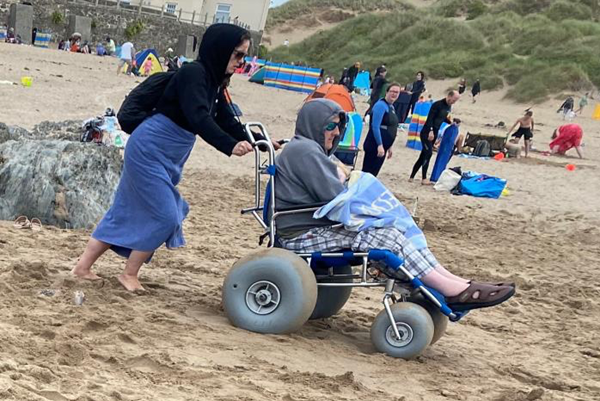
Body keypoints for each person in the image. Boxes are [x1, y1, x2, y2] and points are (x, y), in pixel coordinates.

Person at [72, 24, 279, 292]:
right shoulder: (194, 74)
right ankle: (129, 274)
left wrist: (260, 142)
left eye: (245, 57)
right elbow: (198, 117)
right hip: (149, 148)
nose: (242, 63)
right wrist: (229, 146)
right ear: (221, 50)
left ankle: (82, 267)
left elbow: (226, 119)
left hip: (169, 154)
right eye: (238, 55)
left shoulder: (215, 81)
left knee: (125, 210)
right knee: (166, 215)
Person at [275, 99, 515, 311]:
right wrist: (344, 178)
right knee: (387, 237)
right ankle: (451, 289)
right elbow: (334, 194)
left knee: (395, 230)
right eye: (330, 126)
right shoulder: (304, 150)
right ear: (314, 125)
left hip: (314, 224)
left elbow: (338, 187)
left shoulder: (311, 150)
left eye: (339, 126)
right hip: (301, 233)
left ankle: (457, 285)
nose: (336, 132)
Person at [410, 91, 460, 184]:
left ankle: (412, 176)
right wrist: (431, 130)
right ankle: (424, 179)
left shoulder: (448, 107)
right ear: (449, 96)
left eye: (456, 101)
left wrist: (450, 123)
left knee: (423, 155)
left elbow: (442, 117)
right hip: (427, 132)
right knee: (428, 153)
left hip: (435, 133)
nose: (454, 102)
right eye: (453, 100)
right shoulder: (437, 104)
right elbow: (430, 118)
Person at [362, 83, 401, 177]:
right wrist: (380, 145)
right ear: (387, 92)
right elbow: (375, 126)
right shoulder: (381, 105)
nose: (394, 94)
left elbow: (392, 126)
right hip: (374, 145)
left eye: (397, 92)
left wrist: (389, 146)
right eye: (392, 91)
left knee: (374, 173)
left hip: (384, 146)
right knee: (368, 172)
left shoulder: (391, 107)